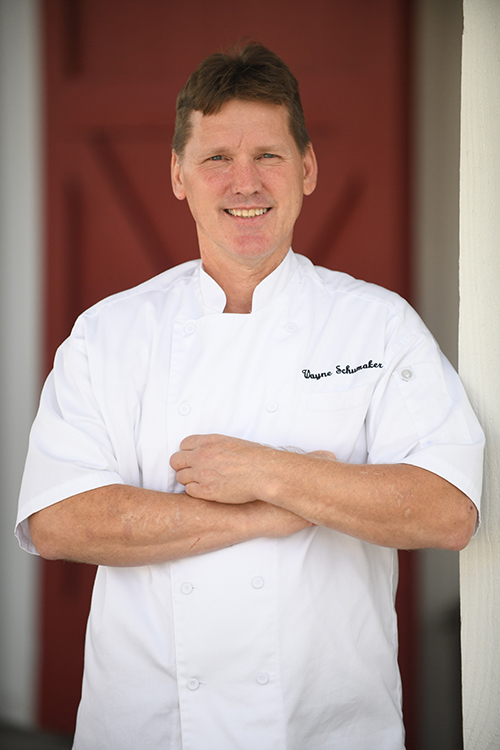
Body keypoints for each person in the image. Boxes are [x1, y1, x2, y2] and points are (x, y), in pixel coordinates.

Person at [16, 43, 483, 750]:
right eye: (215, 159)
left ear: (308, 168)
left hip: (330, 729)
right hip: (147, 728)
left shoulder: (378, 325)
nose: (245, 182)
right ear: (177, 174)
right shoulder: (109, 333)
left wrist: (268, 471)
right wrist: (264, 517)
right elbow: (57, 519)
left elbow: (448, 510)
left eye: (268, 155)